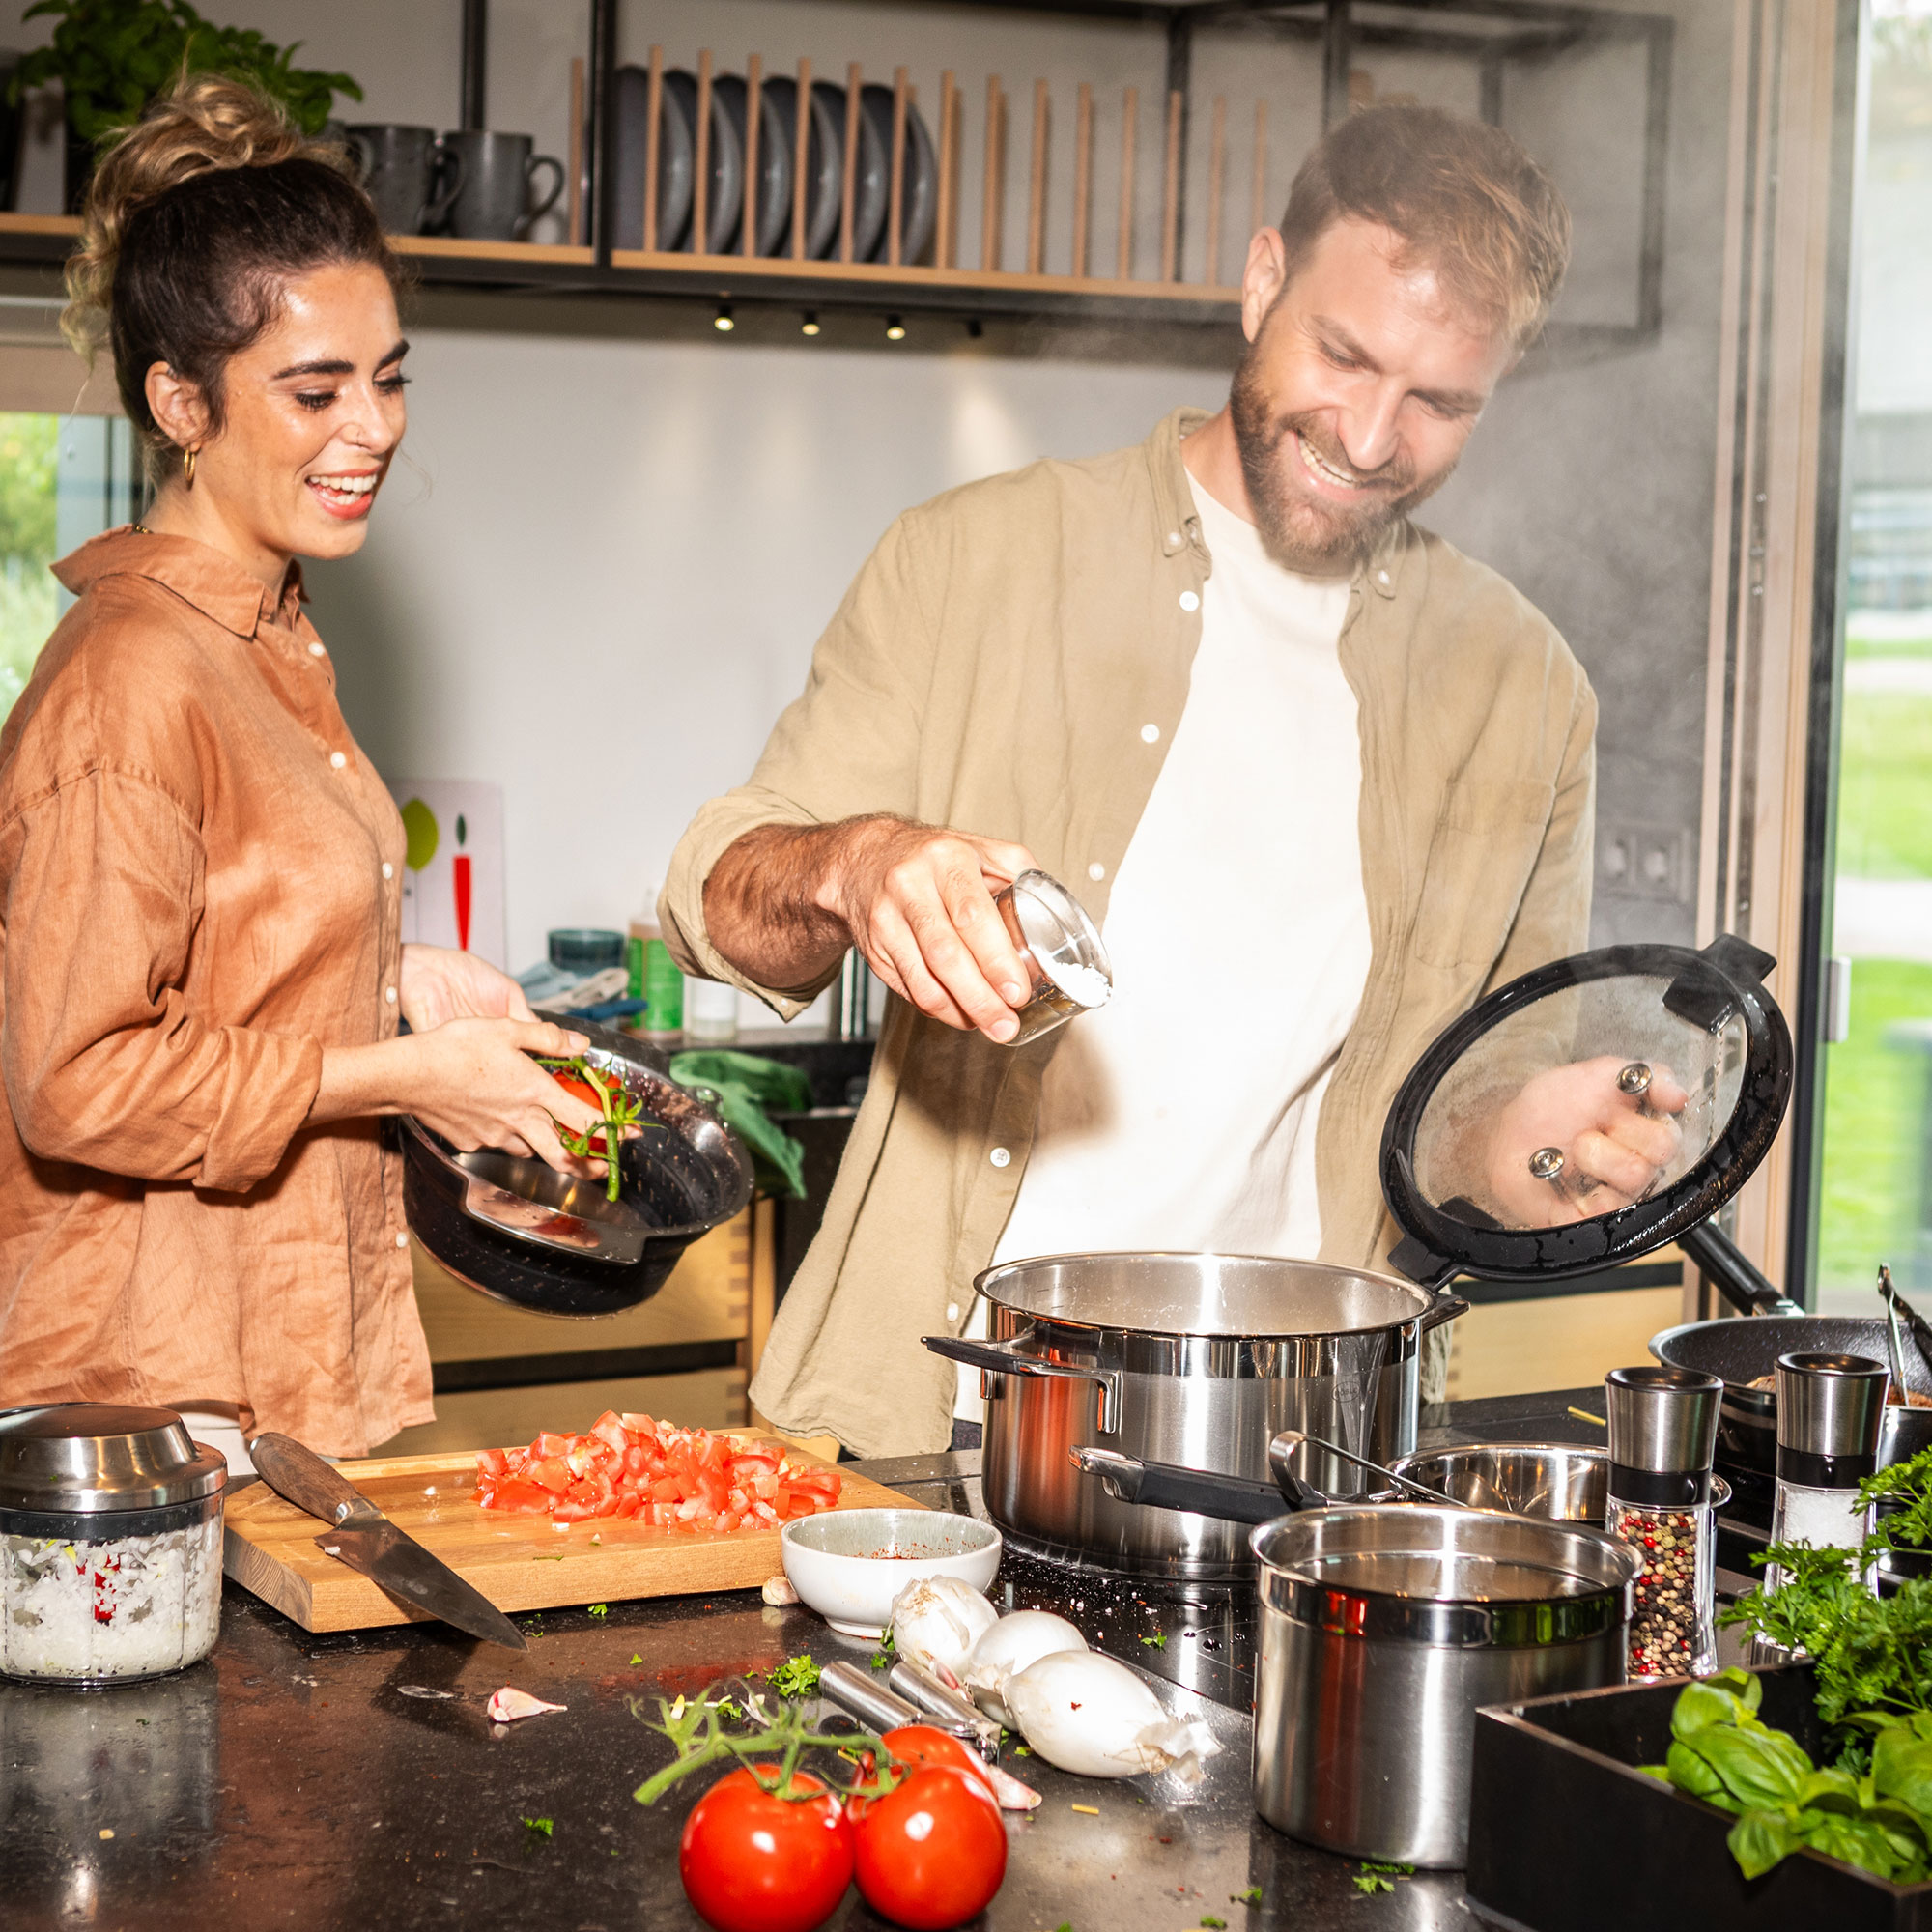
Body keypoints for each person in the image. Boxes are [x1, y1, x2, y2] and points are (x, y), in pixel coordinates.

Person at [662, 105, 1672, 1461]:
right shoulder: (976, 559)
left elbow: (1473, 1125)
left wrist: (1541, 1150)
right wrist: (854, 864)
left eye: (1441, 402)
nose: (1371, 436)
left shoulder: (1526, 688)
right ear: (1263, 281)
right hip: (940, 1419)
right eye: (1344, 355)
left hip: (1294, 1448)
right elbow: (724, 903)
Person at [0, 78, 604, 1467]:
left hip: (251, 1374)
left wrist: (392, 979)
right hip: (137, 1407)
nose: (374, 427)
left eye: (389, 378)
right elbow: (79, 1080)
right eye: (316, 391)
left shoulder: (268, 640)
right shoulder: (132, 674)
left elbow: (216, 941)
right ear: (183, 402)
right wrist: (404, 1073)